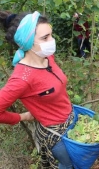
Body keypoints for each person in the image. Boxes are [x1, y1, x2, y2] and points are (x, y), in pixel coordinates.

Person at [0, 11, 74, 168]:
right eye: (45, 38)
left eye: (51, 35)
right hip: (55, 135)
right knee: (68, 165)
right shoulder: (22, 78)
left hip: (71, 121)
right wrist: (23, 117)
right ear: (27, 44)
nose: (52, 41)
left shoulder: (47, 57)